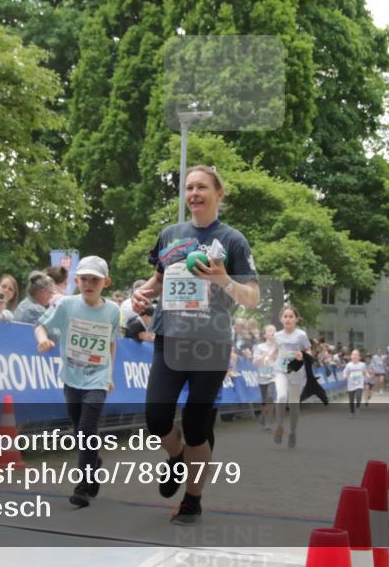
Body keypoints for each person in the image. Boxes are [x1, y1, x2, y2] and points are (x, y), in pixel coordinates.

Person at [130, 165, 259, 525]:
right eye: (189, 188)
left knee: (197, 424)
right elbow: (155, 281)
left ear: (220, 193)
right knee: (157, 419)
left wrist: (223, 279)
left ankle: (193, 498)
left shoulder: (233, 241)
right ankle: (177, 457)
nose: (194, 194)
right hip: (170, 337)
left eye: (202, 187)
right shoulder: (171, 235)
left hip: (211, 343)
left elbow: (251, 297)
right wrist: (140, 294)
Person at [34, 255, 120, 508]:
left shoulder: (113, 311)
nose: (89, 284)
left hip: (98, 378)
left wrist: (110, 375)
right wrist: (42, 339)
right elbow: (41, 326)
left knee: (85, 430)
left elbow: (111, 343)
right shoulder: (67, 305)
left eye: (95, 280)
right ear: (76, 280)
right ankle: (93, 462)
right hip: (71, 378)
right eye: (84, 279)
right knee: (80, 431)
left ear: (106, 282)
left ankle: (83, 486)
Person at [271, 305, 310, 448]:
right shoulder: (277, 335)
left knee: (294, 407)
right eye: (285, 316)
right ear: (281, 319)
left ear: (296, 319)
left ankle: (293, 432)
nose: (288, 319)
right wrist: (266, 357)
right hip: (281, 370)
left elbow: (309, 352)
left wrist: (303, 355)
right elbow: (275, 351)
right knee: (281, 396)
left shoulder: (301, 335)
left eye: (291, 316)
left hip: (296, 372)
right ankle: (279, 426)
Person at [252, 325, 278, 431]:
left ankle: (268, 421)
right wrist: (264, 355)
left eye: (274, 331)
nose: (272, 332)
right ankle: (263, 416)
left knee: (270, 397)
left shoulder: (278, 347)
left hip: (274, 375)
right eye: (270, 330)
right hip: (263, 374)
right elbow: (254, 362)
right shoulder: (260, 347)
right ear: (265, 334)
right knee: (264, 400)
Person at [342, 350, 366, 417]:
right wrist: (344, 376)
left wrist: (367, 374)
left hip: (359, 383)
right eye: (353, 355)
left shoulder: (362, 364)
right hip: (351, 384)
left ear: (359, 357)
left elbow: (365, 371)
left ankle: (358, 406)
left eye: (356, 355)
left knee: (358, 395)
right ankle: (352, 413)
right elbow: (345, 372)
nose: (354, 356)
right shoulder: (348, 365)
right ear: (351, 356)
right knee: (351, 399)